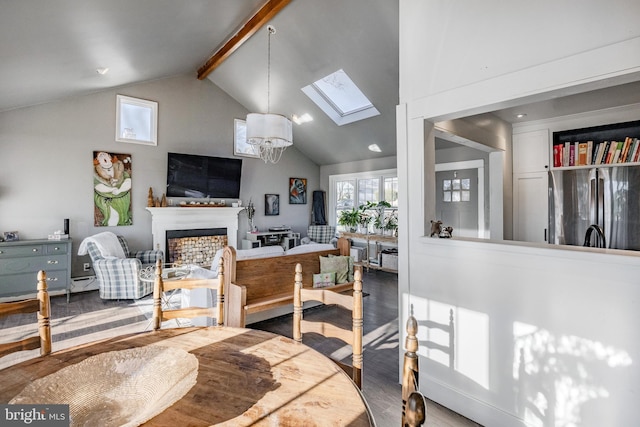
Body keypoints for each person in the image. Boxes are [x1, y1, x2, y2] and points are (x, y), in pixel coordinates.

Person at [94, 151, 132, 226]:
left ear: (110, 157)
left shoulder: (120, 169)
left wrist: (120, 190)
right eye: (100, 156)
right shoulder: (95, 173)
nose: (102, 156)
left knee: (123, 215)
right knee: (113, 216)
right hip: (105, 197)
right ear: (97, 160)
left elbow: (128, 181)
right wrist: (111, 189)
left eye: (104, 154)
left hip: (122, 194)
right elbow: (97, 186)